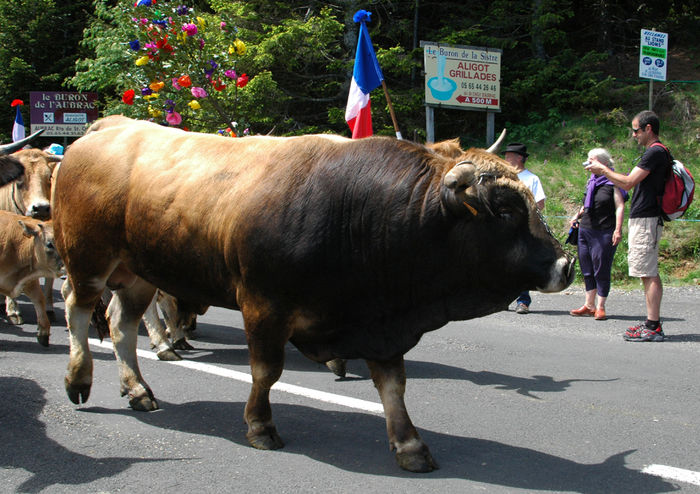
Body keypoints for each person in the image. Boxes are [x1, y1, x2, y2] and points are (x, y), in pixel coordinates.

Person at [585, 110, 667, 342]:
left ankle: (653, 326)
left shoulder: (654, 153)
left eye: (636, 130)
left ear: (648, 128)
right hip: (646, 218)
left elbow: (628, 182)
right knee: (646, 271)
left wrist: (603, 171)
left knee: (647, 272)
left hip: (647, 219)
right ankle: (652, 323)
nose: (633, 135)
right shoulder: (655, 153)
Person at [568, 148, 626, 321]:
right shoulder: (591, 181)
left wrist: (618, 229)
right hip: (585, 229)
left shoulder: (613, 182)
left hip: (604, 231)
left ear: (604, 163)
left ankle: (600, 307)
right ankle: (589, 305)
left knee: (601, 269)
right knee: (587, 268)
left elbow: (620, 206)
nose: (588, 163)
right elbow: (586, 204)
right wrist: (576, 215)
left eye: (591, 160)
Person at [504, 142, 545, 314]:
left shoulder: (531, 178)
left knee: (522, 263)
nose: (505, 158)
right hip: (504, 227)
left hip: (523, 227)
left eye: (509, 156)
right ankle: (503, 298)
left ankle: (523, 301)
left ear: (519, 158)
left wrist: (523, 216)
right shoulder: (503, 177)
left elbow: (540, 203)